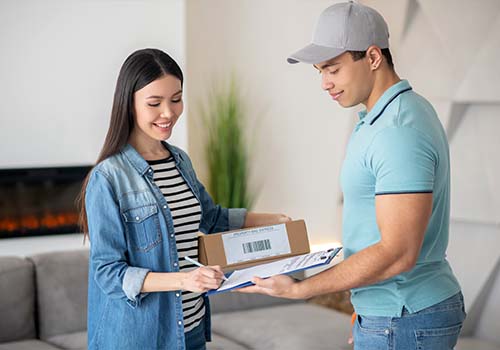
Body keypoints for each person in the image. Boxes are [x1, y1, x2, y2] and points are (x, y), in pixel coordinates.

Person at [238, 2, 465, 349]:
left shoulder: (397, 131)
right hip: (390, 312)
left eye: (333, 69)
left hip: (404, 316)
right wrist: (366, 308)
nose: (325, 83)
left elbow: (398, 252)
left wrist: (302, 289)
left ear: (373, 58)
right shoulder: (385, 117)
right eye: (320, 71)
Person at [78, 48, 290, 350]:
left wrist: (274, 220)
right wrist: (184, 280)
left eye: (176, 99)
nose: (169, 113)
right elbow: (108, 273)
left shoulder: (179, 161)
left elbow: (212, 218)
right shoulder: (108, 177)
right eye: (155, 103)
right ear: (129, 104)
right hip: (140, 339)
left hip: (190, 329)